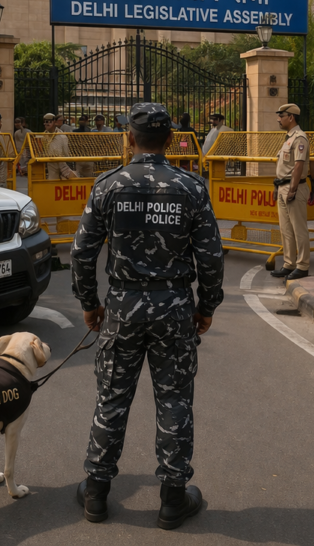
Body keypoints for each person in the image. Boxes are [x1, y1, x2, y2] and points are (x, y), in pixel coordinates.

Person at [71, 102, 223, 530]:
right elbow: (211, 258)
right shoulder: (190, 187)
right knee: (174, 400)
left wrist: (89, 302)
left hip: (121, 308)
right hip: (174, 308)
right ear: (172, 140)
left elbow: (81, 252)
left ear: (129, 139)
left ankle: (96, 494)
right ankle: (173, 499)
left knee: (113, 397)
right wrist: (206, 307)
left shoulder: (108, 185)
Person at [269, 103, 310, 280]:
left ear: (291, 117)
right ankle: (289, 263)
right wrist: (277, 187)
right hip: (283, 186)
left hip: (295, 188)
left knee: (298, 229)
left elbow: (298, 166)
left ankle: (302, 265)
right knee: (285, 229)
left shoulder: (299, 138)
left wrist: (292, 189)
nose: (279, 119)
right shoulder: (288, 138)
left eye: (281, 115)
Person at [41, 113, 77, 180]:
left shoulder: (61, 136)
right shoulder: (44, 135)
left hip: (62, 162)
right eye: (45, 122)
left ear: (54, 122)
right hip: (51, 162)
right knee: (52, 181)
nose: (46, 124)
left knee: (67, 181)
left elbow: (66, 151)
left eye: (49, 122)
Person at [73, 113, 95, 178]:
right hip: (80, 156)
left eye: (84, 120)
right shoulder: (75, 131)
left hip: (88, 156)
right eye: (81, 119)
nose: (83, 121)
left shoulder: (90, 132)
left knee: (88, 175)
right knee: (78, 175)